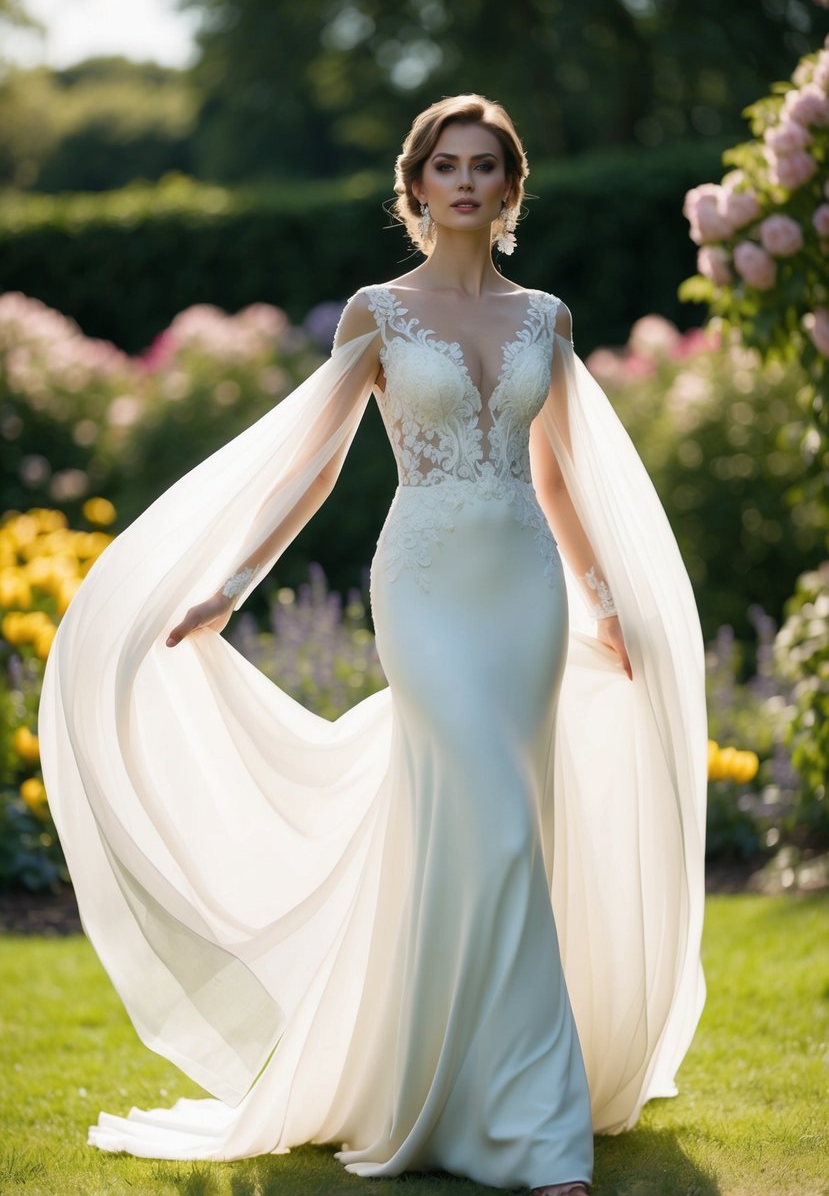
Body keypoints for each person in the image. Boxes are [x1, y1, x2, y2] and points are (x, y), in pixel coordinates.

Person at [39, 95, 708, 1196]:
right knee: (490, 815)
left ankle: (458, 1090)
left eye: (483, 165)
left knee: (499, 830)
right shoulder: (376, 314)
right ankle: (541, 1136)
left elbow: (556, 474)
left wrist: (601, 596)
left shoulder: (547, 318)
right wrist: (232, 583)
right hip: (428, 590)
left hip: (525, 595)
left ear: (507, 189)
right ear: (414, 187)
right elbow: (312, 464)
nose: (462, 181)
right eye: (444, 164)